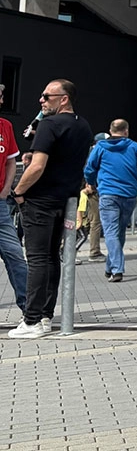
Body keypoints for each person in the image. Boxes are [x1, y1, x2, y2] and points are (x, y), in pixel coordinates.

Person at [8, 79, 94, 339]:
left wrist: (18, 191)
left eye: (47, 96)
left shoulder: (49, 124)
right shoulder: (82, 125)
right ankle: (45, 317)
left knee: (36, 259)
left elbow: (37, 167)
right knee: (50, 257)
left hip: (40, 200)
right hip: (64, 199)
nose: (41, 100)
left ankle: (32, 320)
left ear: (64, 98)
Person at [83, 118, 137, 282]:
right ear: (126, 131)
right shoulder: (135, 147)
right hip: (129, 195)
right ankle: (110, 266)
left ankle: (117, 269)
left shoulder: (100, 147)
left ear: (110, 130)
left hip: (108, 194)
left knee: (111, 232)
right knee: (119, 231)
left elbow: (89, 168)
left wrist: (91, 182)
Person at [0, 83, 27, 314]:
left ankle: (30, 311)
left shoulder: (5, 126)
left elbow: (11, 161)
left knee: (15, 254)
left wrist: (6, 188)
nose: (1, 101)